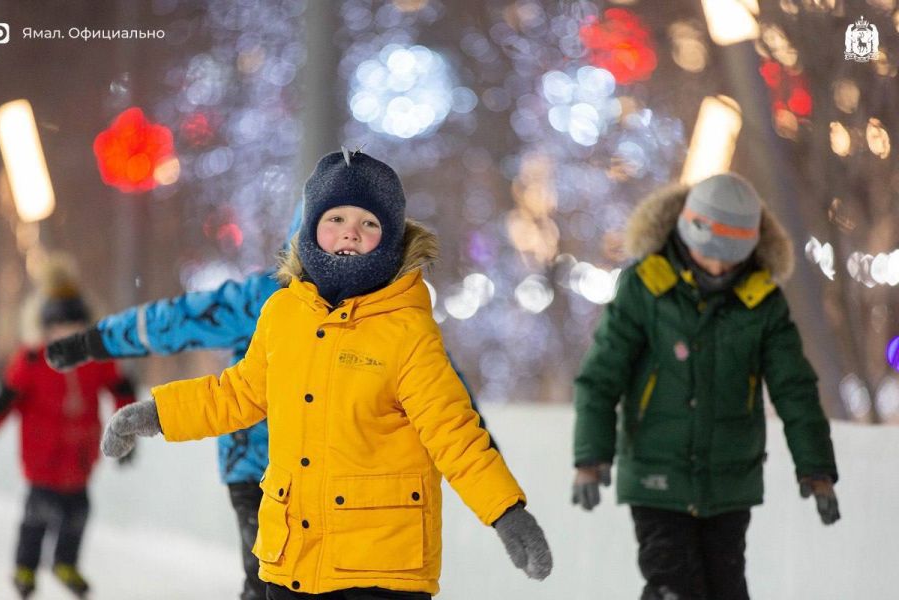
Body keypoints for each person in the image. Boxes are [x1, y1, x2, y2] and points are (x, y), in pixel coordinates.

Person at [99, 148, 552, 599]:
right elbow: (237, 393)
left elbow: (452, 431)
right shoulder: (282, 314)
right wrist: (156, 413)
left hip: (378, 568)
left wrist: (505, 512)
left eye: (369, 223)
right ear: (311, 227)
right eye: (336, 218)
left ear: (391, 239)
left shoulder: (407, 331)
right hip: (292, 559)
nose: (350, 231)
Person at [45, 205, 495, 600]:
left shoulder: (390, 312)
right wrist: (91, 342)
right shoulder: (267, 299)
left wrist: (474, 447)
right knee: (269, 578)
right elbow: (176, 321)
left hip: (339, 479)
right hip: (257, 468)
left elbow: (437, 384)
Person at [571, 173, 839, 600]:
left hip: (729, 480)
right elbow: (600, 377)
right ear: (685, 233)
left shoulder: (762, 301)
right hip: (656, 472)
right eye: (707, 254)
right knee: (673, 588)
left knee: (725, 589)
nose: (716, 268)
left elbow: (795, 389)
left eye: (730, 259)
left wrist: (816, 467)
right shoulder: (645, 287)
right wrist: (590, 457)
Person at [0, 255, 136, 599]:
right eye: (59, 327)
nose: (67, 334)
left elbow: (121, 389)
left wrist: (128, 432)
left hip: (81, 458)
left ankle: (65, 563)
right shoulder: (31, 361)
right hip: (42, 460)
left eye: (75, 327)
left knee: (78, 513)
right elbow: (3, 400)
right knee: (37, 516)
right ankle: (25, 566)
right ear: (45, 327)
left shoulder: (95, 360)